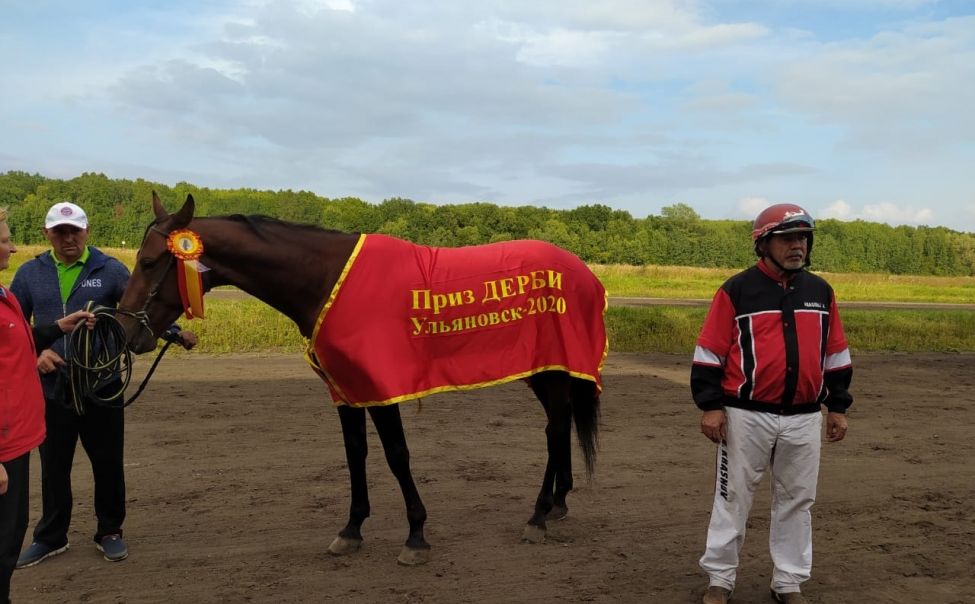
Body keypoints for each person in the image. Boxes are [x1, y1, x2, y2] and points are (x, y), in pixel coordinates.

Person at [9, 201, 196, 568]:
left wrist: (173, 332)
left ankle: (110, 531)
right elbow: (16, 330)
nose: (68, 238)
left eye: (74, 231)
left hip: (103, 385)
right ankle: (51, 536)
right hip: (52, 389)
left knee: (108, 463)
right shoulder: (30, 274)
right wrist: (35, 356)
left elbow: (138, 308)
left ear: (87, 231)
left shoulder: (110, 269)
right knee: (53, 467)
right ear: (47, 235)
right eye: (60, 232)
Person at [690, 204, 853, 604]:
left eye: (803, 238)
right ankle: (720, 579)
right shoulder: (737, 290)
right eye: (788, 238)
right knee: (733, 497)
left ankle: (788, 582)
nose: (798, 245)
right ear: (763, 243)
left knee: (798, 500)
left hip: (804, 418)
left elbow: (835, 355)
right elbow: (709, 353)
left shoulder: (820, 292)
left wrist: (839, 406)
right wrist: (710, 406)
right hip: (745, 416)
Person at [1, 206, 97, 601]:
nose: (12, 247)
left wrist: (56, 328)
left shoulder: (3, 293)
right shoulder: (27, 276)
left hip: (20, 436)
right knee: (3, 540)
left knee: (8, 538)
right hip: (5, 444)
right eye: (5, 241)